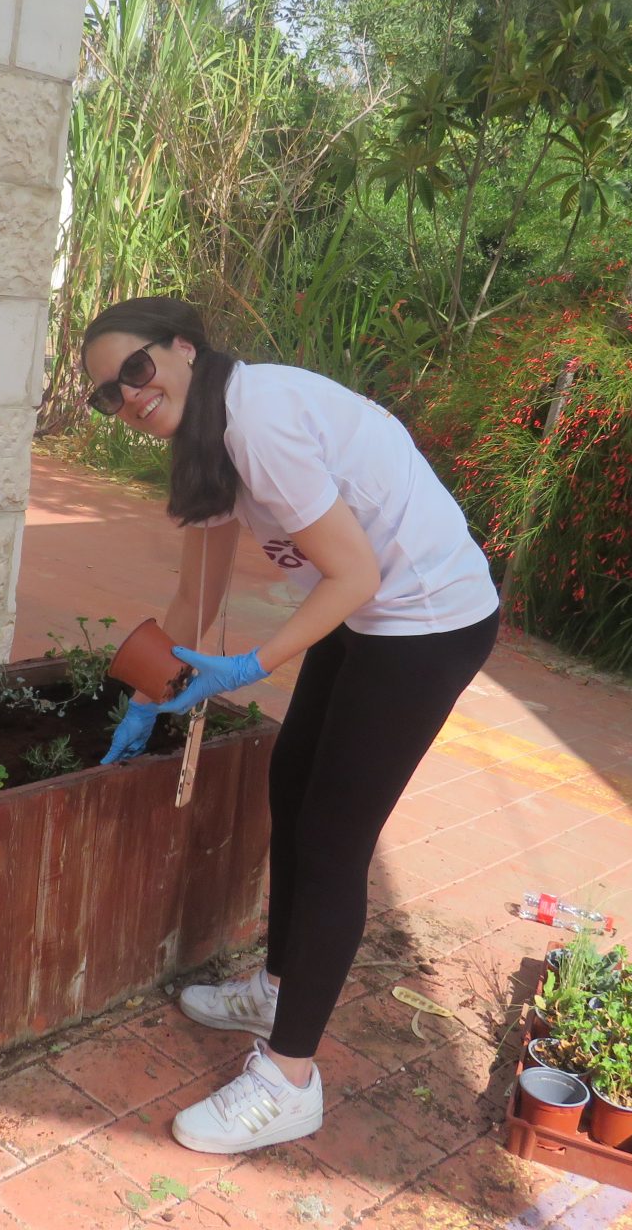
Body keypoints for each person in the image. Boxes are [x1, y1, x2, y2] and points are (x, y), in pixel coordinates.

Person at [80, 296, 500, 1155]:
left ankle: (291, 1079)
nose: (129, 397)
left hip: (427, 621)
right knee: (292, 785)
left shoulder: (259, 418)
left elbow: (357, 574)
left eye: (136, 369)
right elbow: (197, 596)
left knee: (336, 838)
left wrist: (251, 666)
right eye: (107, 394)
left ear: (183, 347)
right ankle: (277, 988)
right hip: (366, 614)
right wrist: (149, 692)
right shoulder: (206, 442)